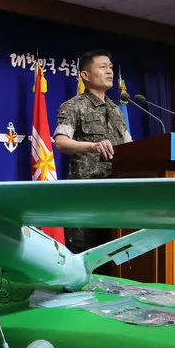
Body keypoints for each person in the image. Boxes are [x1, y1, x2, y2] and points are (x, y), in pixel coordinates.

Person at [52, 49, 132, 275]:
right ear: (85, 75)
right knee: (85, 260)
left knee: (112, 259)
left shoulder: (117, 111)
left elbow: (131, 148)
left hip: (115, 198)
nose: (109, 71)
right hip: (85, 198)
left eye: (111, 67)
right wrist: (93, 146)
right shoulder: (73, 106)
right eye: (103, 66)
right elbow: (61, 142)